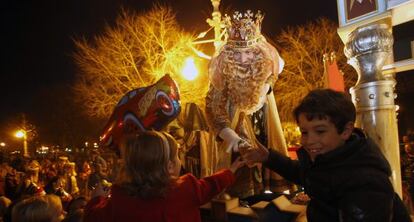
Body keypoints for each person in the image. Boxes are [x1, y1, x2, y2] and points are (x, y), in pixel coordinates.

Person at [242, 89, 411, 222]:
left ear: (345, 131)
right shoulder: (334, 159)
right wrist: (268, 158)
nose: (309, 140)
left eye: (320, 131)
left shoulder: (365, 180)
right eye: (305, 132)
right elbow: (308, 175)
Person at [206, 10, 288, 199]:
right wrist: (232, 137)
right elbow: (213, 108)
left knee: (270, 182)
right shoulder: (221, 74)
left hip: (265, 126)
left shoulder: (267, 64)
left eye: (248, 54)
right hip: (236, 133)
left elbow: (276, 69)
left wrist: (267, 86)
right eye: (237, 54)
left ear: (257, 52)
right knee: (242, 186)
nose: (243, 61)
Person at [84, 131, 244, 222]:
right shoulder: (187, 189)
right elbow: (211, 185)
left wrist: (96, 199)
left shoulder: (120, 198)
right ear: (169, 166)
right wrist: (230, 171)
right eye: (177, 156)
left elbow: (93, 218)